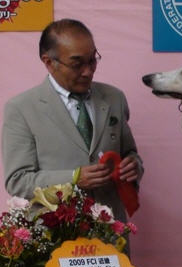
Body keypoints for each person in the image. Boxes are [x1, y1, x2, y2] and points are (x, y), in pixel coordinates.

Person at [2, 19, 143, 225]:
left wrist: (133, 167)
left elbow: (130, 153)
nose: (88, 71)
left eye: (93, 60)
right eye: (77, 64)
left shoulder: (115, 98)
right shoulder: (21, 108)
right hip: (56, 237)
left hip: (111, 234)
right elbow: (18, 180)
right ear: (49, 62)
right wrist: (73, 178)